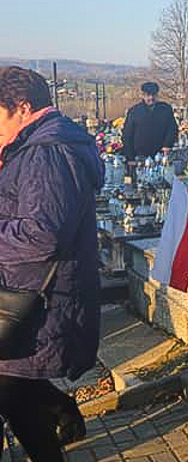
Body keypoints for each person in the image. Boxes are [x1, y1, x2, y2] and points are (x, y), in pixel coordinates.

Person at [0, 66, 103, 461]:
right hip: (29, 292)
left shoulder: (48, 153)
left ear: (23, 108)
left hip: (38, 301)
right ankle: (64, 412)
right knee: (14, 390)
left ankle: (61, 417)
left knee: (13, 396)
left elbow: (42, 234)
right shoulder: (32, 148)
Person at [121, 82, 178, 161]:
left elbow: (172, 129)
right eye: (148, 95)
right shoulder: (134, 111)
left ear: (157, 95)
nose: (151, 98)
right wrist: (130, 157)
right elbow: (127, 135)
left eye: (153, 95)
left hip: (161, 155)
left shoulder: (166, 109)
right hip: (139, 156)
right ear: (143, 95)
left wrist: (167, 145)